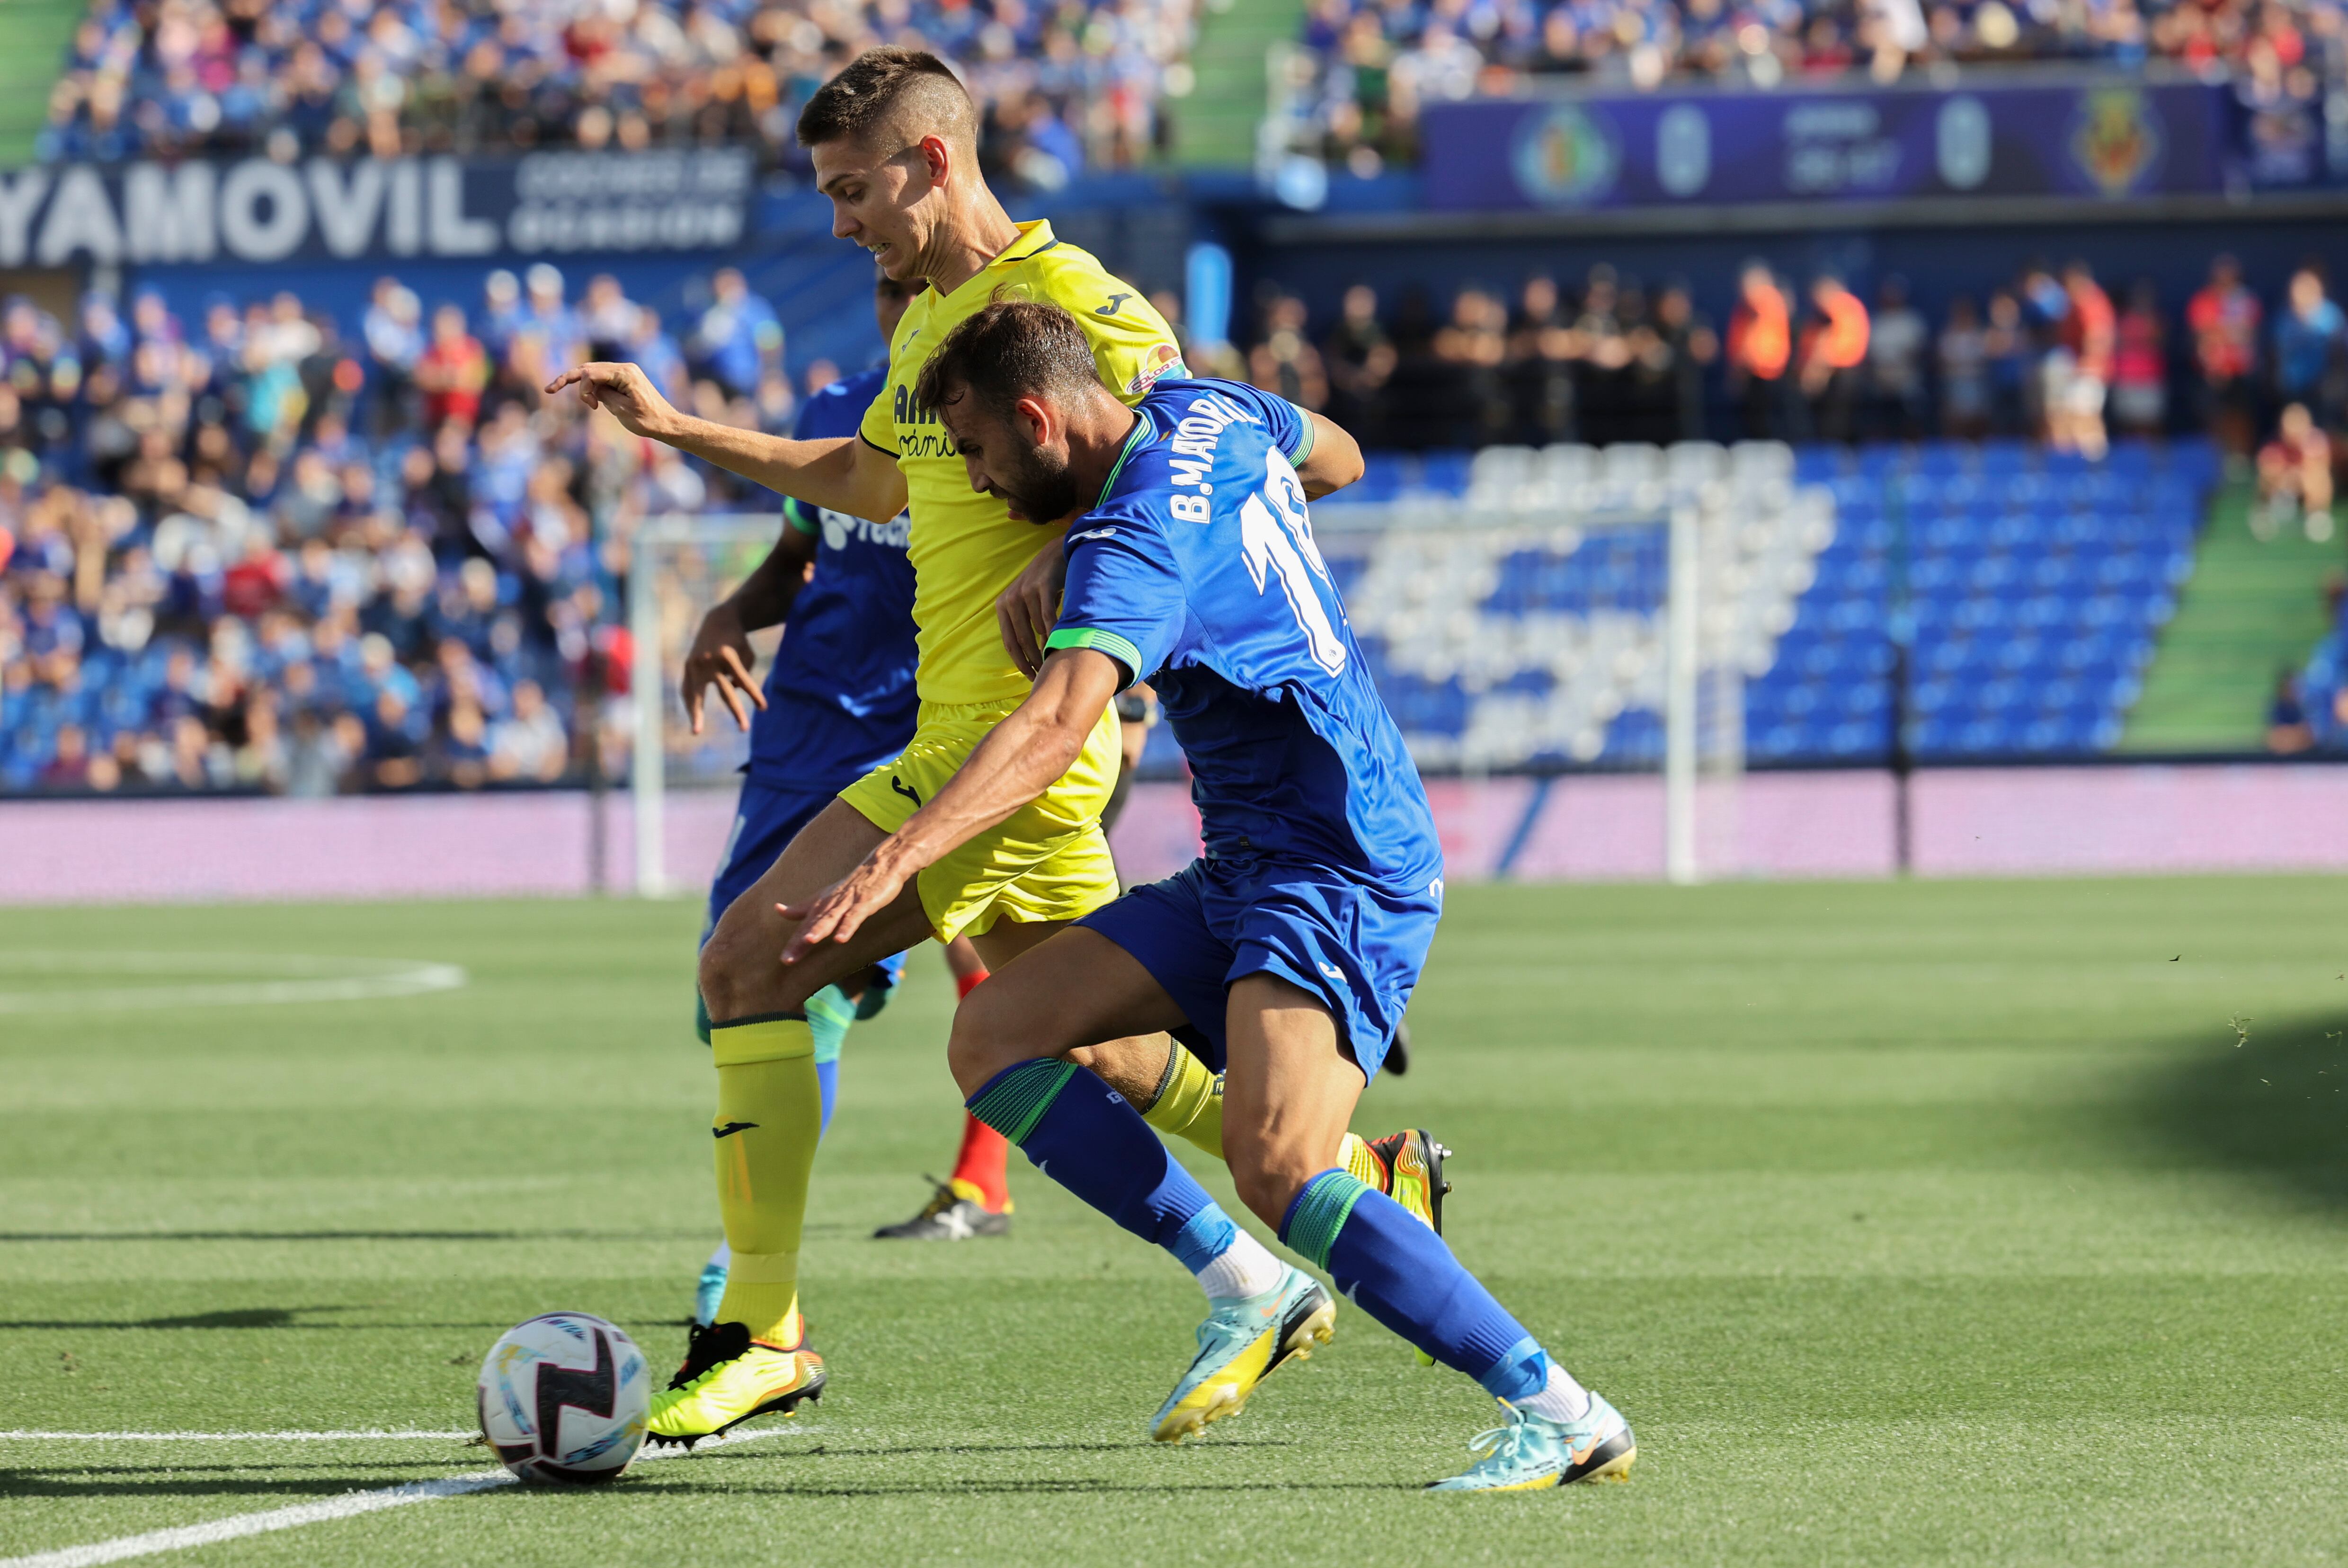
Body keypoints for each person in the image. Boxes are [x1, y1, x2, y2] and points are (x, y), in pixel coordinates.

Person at [547, 46, 1441, 1446]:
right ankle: (1356, 1177)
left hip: (1010, 740)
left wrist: (1090, 544)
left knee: (746, 964)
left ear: (933, 160)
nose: (841, 219)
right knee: (1082, 1047)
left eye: (856, 189)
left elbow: (1220, 461)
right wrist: (678, 431)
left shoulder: (1074, 301)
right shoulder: (930, 323)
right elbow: (870, 480)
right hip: (965, 727)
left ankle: (763, 1331)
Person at [788, 298, 1634, 1491]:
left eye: (977, 452)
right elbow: (1336, 453)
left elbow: (1053, 726)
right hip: (1249, 862)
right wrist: (1073, 545)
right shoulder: (1203, 408)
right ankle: (1246, 1283)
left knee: (1281, 1161)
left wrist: (894, 856)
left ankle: (1561, 1410)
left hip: (1338, 859)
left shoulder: (1133, 544)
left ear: (1037, 416)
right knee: (996, 1031)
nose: (973, 482)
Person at [675, 267, 1010, 1330]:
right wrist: (729, 611)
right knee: (729, 989)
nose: (902, 305)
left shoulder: (993, 426)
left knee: (1004, 977)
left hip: (929, 731)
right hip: (806, 728)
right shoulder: (836, 418)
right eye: (885, 289)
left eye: (922, 286)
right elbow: (794, 557)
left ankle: (757, 1282)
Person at [2256, 401, 2333, 541]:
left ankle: (2317, 517)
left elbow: (2318, 470)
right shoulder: (2273, 445)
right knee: (2270, 471)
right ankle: (2266, 513)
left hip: (2305, 490)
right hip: (2282, 490)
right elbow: (2268, 470)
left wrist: (2298, 477)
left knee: (2317, 478)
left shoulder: (2316, 442)